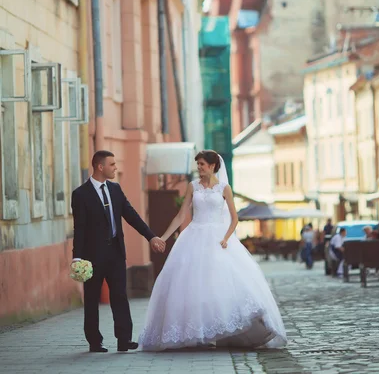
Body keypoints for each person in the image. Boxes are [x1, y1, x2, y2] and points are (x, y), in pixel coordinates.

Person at [138, 150, 287, 351]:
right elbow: (181, 216)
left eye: (202, 164)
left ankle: (225, 330)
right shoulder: (193, 187)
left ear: (212, 166)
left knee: (220, 282)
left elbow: (234, 218)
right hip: (194, 236)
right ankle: (196, 332)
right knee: (191, 284)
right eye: (197, 164)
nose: (199, 168)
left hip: (218, 238)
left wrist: (226, 238)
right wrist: (162, 238)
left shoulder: (224, 188)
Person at [71, 150, 166, 353]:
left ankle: (124, 339)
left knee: (120, 296)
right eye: (112, 164)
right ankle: (95, 342)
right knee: (91, 298)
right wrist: (77, 257)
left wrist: (151, 236)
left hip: (115, 252)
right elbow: (79, 228)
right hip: (92, 256)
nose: (116, 167)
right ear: (100, 166)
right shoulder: (81, 194)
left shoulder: (115, 189)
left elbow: (131, 215)